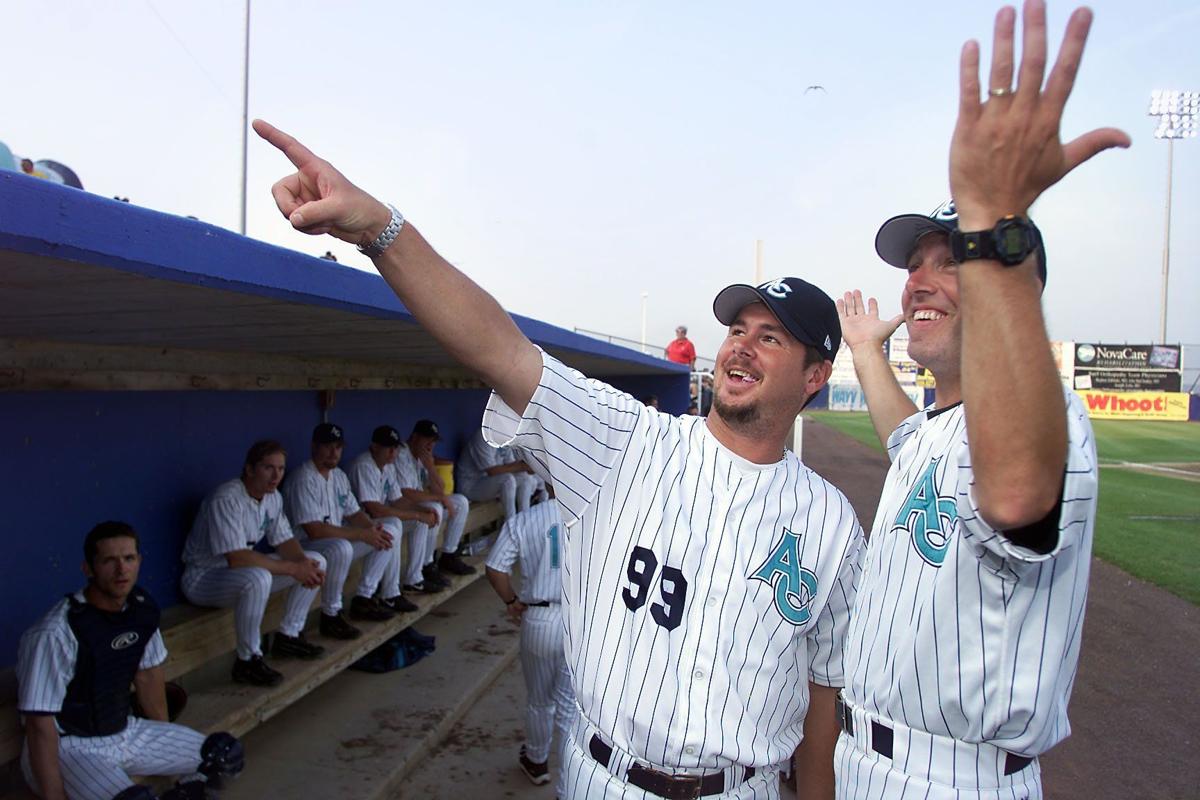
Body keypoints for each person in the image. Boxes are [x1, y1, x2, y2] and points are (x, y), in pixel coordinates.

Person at [254, 118, 865, 799]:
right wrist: (379, 230)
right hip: (607, 780)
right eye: (736, 331)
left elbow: (822, 696)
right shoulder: (628, 441)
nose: (740, 348)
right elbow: (502, 348)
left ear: (816, 375)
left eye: (771, 338)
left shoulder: (832, 523)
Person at [832, 4, 1126, 798]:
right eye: (915, 262)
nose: (918, 279)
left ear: (1008, 281)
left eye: (950, 258)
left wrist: (991, 223)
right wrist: (865, 354)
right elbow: (907, 440)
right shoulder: (936, 426)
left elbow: (1019, 492)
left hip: (952, 778)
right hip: (863, 761)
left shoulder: (1044, 424)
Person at [19, 521, 244, 800]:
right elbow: (39, 724)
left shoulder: (140, 609)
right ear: (88, 568)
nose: (121, 569)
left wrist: (166, 747)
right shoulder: (55, 631)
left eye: (128, 558)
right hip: (72, 747)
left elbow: (148, 676)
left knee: (224, 755)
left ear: (139, 561)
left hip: (126, 731)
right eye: (109, 561)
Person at [182, 439, 328, 686]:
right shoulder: (226, 498)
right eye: (268, 468)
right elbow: (237, 557)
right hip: (204, 577)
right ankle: (247, 660)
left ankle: (289, 636)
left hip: (235, 573)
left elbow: (285, 541)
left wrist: (303, 564)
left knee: (316, 561)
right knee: (257, 578)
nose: (276, 475)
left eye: (281, 469)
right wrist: (293, 569)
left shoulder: (272, 498)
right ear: (250, 469)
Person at [485, 496, 576, 798]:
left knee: (540, 700)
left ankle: (537, 761)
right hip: (577, 621)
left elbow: (496, 567)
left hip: (538, 616)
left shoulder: (527, 517)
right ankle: (567, 787)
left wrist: (511, 600)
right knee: (568, 709)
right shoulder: (589, 512)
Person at [282, 422, 397, 640]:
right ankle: (331, 614)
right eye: (328, 446)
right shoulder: (303, 478)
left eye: (338, 446)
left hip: (332, 542)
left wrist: (372, 529)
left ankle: (364, 597)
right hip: (304, 545)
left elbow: (354, 513)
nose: (334, 452)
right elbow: (314, 530)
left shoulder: (339, 476)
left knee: (387, 533)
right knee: (341, 547)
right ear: (314, 446)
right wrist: (363, 534)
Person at [346, 424, 437, 613]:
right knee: (392, 526)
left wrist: (423, 511)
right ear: (375, 447)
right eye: (388, 447)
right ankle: (378, 594)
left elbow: (398, 501)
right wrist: (417, 514)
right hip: (354, 526)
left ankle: (413, 579)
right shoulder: (364, 465)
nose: (392, 452)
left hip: (372, 525)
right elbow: (375, 509)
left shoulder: (387, 467)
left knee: (414, 521)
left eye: (395, 447)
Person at [394, 419, 476, 579]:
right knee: (436, 508)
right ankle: (427, 564)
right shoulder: (402, 454)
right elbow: (406, 493)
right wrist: (441, 498)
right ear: (415, 437)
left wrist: (430, 466)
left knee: (460, 502)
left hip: (418, 504)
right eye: (427, 439)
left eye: (434, 441)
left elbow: (440, 487)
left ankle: (449, 555)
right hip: (403, 506)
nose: (430, 445)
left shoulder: (422, 456)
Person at [456, 427, 539, 521]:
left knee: (525, 477)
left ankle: (524, 521)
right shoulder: (484, 436)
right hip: (471, 486)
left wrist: (527, 466)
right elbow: (492, 471)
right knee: (507, 480)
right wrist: (522, 466)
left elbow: (510, 465)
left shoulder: (505, 439)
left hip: (488, 483)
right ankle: (511, 524)